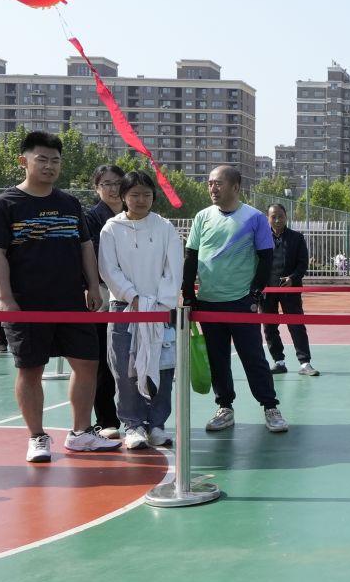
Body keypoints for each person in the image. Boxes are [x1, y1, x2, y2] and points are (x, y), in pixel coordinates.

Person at [0, 132, 121, 462]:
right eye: (42, 159)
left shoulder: (69, 203)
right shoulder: (2, 206)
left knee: (87, 364)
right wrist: (6, 299)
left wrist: (92, 286)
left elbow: (85, 247)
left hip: (71, 301)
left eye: (55, 160)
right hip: (26, 303)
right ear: (24, 161)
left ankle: (81, 433)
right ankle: (37, 437)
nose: (49, 166)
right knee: (30, 369)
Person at [184, 165, 288, 435]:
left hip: (242, 301)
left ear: (236, 187)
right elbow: (191, 256)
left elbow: (266, 257)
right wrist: (189, 294)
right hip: (208, 301)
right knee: (217, 359)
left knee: (253, 357)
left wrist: (255, 291)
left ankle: (270, 407)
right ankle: (224, 407)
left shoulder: (254, 218)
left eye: (218, 183)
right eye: (210, 183)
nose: (212, 188)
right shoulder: (202, 217)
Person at [97, 170, 183, 450]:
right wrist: (132, 296)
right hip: (123, 308)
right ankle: (133, 425)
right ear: (123, 196)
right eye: (134, 194)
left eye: (147, 194)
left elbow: (174, 267)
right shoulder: (111, 228)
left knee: (163, 367)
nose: (141, 200)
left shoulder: (164, 227)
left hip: (159, 311)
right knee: (125, 369)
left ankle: (157, 424)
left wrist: (159, 302)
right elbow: (108, 269)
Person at [82, 165, 126, 439]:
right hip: (103, 293)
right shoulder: (91, 218)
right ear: (97, 188)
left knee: (133, 358)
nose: (113, 189)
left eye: (118, 183)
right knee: (103, 361)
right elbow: (93, 257)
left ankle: (138, 418)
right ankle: (106, 419)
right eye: (106, 184)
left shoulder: (135, 214)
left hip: (134, 295)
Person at [262, 203, 318, 377]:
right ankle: (278, 362)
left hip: (291, 290)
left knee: (296, 325)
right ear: (268, 218)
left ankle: (305, 363)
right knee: (269, 327)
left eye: (281, 216)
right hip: (267, 290)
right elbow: (255, 262)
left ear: (286, 217)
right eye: (273, 217)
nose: (277, 220)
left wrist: (292, 278)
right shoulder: (261, 238)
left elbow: (303, 263)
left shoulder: (297, 238)